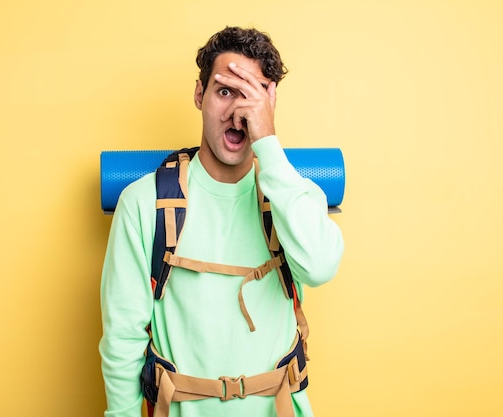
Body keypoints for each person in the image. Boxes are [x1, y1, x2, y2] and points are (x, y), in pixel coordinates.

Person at [99, 26, 344, 417]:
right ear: (200, 94)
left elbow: (319, 267)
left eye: (253, 93)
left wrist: (269, 144)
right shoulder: (143, 204)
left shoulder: (293, 195)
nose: (237, 113)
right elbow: (122, 340)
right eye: (225, 91)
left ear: (271, 101)